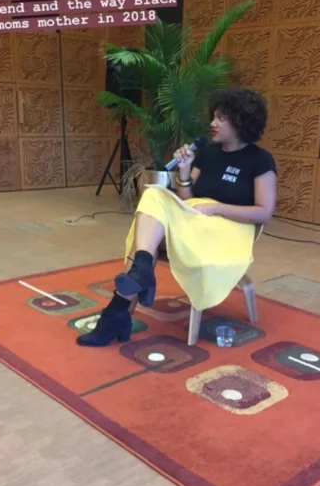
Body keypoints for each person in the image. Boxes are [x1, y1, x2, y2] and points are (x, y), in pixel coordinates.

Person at [77, 87, 277, 347]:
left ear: (241, 121)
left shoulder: (260, 160)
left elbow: (264, 211)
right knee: (153, 196)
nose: (212, 123)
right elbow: (187, 198)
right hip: (195, 222)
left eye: (221, 118)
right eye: (213, 116)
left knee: (145, 242)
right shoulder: (208, 153)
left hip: (229, 233)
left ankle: (117, 313)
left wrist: (216, 208)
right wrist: (184, 170)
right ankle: (139, 272)